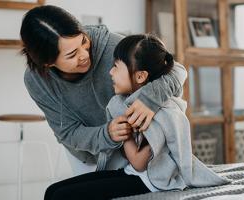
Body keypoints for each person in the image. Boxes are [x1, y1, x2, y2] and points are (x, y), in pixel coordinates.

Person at [44, 34, 228, 200]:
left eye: (116, 66)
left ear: (140, 76)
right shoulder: (128, 103)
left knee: (61, 196)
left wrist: (125, 133)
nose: (110, 72)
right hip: (132, 173)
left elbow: (140, 163)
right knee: (52, 191)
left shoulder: (154, 113)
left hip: (151, 181)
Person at [20, 5, 187, 176]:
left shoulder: (112, 45)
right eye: (72, 55)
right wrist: (107, 134)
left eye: (84, 41)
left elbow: (177, 71)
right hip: (86, 154)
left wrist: (149, 99)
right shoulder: (36, 81)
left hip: (131, 149)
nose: (84, 54)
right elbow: (68, 132)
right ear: (48, 64)